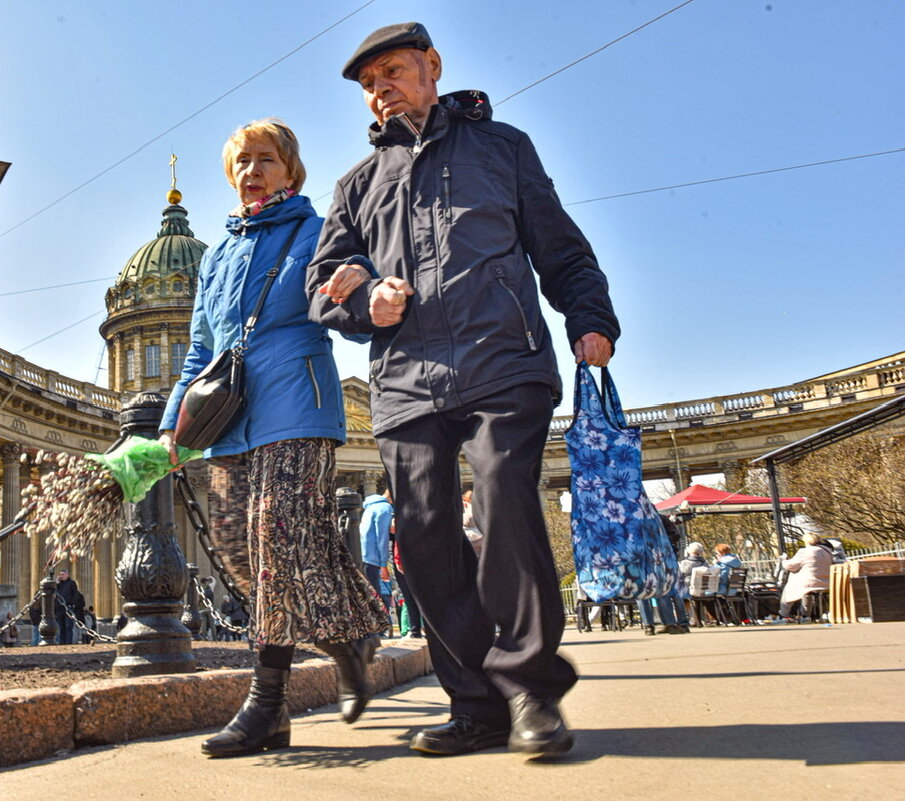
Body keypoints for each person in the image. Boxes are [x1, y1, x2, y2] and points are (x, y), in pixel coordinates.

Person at [307, 22, 619, 757]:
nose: (380, 88)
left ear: (432, 66)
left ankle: (530, 693)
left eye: (391, 71)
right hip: (404, 381)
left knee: (508, 502)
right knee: (422, 535)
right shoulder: (354, 184)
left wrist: (589, 315)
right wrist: (360, 304)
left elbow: (559, 245)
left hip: (501, 359)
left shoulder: (502, 147)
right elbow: (323, 286)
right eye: (368, 82)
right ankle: (473, 703)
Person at [158, 118, 389, 758]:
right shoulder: (217, 254)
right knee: (240, 552)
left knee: (275, 539)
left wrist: (361, 294)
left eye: (266, 159)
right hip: (226, 420)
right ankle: (352, 637)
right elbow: (200, 349)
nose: (252, 171)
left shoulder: (316, 232)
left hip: (298, 409)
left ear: (290, 169)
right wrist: (173, 424)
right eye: (242, 162)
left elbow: (348, 305)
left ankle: (266, 707)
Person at [779, 532, 834, 620]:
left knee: (789, 589)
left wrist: (784, 560)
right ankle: (805, 614)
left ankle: (783, 614)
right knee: (806, 592)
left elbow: (790, 566)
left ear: (807, 541)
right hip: (826, 583)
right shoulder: (828, 551)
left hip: (810, 583)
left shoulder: (805, 552)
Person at [360, 490, 394, 624]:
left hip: (363, 554)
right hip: (373, 557)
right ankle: (377, 627)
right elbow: (382, 539)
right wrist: (383, 564)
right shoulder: (385, 509)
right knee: (376, 595)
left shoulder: (371, 506)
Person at [54, 569, 78, 645]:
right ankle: (61, 642)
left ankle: (68, 642)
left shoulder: (72, 583)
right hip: (59, 608)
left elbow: (75, 594)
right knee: (61, 627)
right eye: (60, 574)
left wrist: (72, 604)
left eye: (63, 574)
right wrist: (57, 584)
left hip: (68, 607)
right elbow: (55, 594)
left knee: (68, 626)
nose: (61, 576)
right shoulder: (59, 584)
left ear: (67, 575)